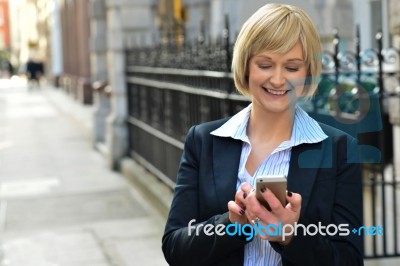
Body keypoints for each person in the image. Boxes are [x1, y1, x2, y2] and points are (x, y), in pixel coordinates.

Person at [162, 3, 363, 266]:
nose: (278, 80)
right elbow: (175, 247)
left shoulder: (340, 150)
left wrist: (290, 236)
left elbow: (349, 260)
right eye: (266, 64)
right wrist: (232, 225)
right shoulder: (203, 141)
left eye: (292, 68)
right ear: (246, 66)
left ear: (308, 73)